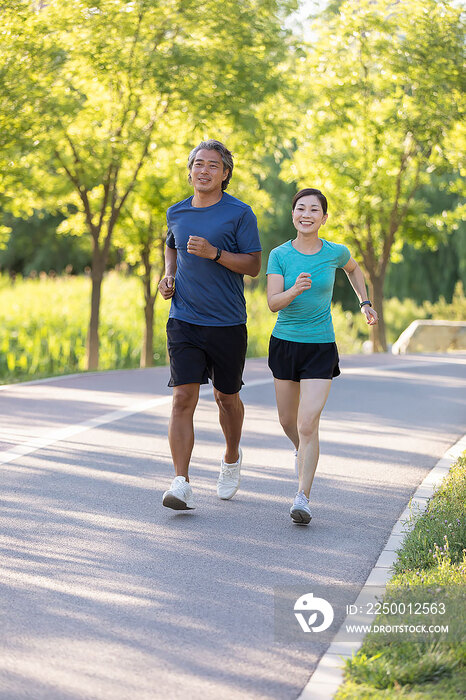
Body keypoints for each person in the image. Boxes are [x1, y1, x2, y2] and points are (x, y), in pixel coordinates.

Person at [158, 140, 262, 510]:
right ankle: (181, 482)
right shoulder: (177, 211)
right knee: (183, 397)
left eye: (213, 165)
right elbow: (172, 244)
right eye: (198, 164)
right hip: (184, 319)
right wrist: (169, 276)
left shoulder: (240, 213)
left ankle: (231, 456)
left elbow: (252, 266)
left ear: (225, 174)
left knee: (226, 397)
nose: (204, 171)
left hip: (227, 322)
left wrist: (215, 254)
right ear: (190, 171)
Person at [266, 188, 378, 525]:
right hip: (285, 343)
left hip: (320, 346)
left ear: (324, 218)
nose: (307, 214)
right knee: (288, 422)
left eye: (314, 209)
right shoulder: (279, 255)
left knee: (307, 423)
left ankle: (303, 496)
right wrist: (294, 290)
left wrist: (365, 302)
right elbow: (273, 302)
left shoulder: (335, 253)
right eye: (301, 208)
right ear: (293, 215)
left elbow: (355, 270)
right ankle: (302, 453)